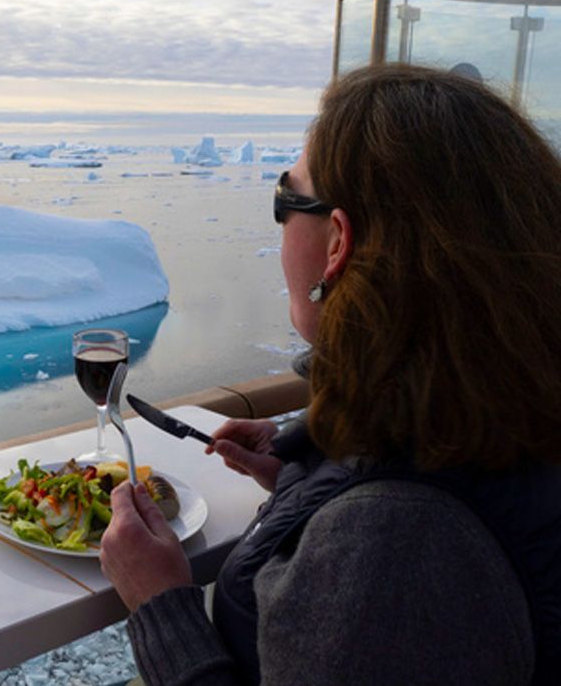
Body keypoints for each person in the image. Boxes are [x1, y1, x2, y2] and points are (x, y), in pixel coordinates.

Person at [99, 64, 561, 685]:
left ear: (338, 242)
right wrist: (312, 469)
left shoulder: (390, 546)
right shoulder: (503, 400)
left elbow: (393, 567)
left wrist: (159, 604)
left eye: (284, 200)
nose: (281, 224)